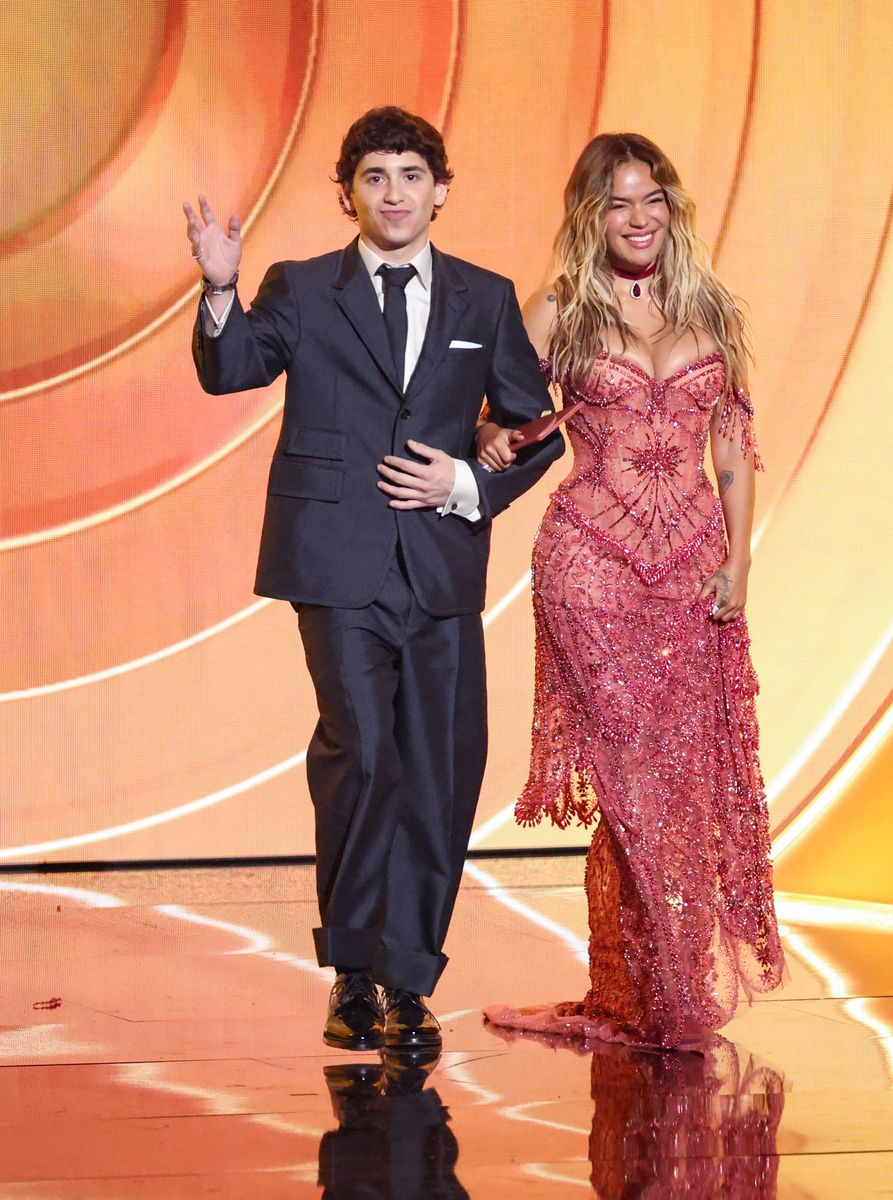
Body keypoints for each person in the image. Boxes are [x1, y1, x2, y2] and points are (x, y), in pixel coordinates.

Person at [183, 107, 563, 1052]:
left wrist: (470, 481)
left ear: (440, 189)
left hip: (439, 566)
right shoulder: (304, 289)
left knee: (440, 771)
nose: (393, 193)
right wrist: (221, 288)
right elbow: (232, 369)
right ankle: (355, 971)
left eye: (409, 175)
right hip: (336, 564)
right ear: (347, 193)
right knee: (363, 753)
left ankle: (408, 976)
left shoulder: (485, 297)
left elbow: (534, 427)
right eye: (374, 177)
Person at [479, 133, 785, 1050]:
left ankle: (646, 985)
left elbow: (732, 450)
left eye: (652, 198)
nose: (639, 217)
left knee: (682, 777)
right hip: (589, 569)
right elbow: (498, 410)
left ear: (673, 205)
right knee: (631, 774)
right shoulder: (558, 309)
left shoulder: (711, 308)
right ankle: (671, 988)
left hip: (692, 571)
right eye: (619, 202)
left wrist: (739, 564)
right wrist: (496, 435)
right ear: (590, 213)